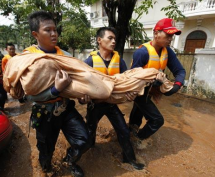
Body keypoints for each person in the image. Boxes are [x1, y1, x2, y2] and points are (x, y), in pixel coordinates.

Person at [23, 11, 89, 177]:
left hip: (66, 108)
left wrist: (82, 96)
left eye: (55, 29)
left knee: (84, 140)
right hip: (44, 113)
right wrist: (55, 90)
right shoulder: (28, 59)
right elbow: (29, 95)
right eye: (48, 30)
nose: (54, 34)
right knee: (46, 149)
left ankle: (69, 160)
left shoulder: (66, 56)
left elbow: (78, 82)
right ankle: (46, 169)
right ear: (35, 34)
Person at [83, 27, 144, 170]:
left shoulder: (119, 62)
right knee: (90, 130)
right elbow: (82, 85)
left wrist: (129, 94)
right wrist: (83, 97)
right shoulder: (90, 61)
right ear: (99, 40)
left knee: (123, 130)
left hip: (111, 105)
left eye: (115, 39)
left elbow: (126, 81)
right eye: (110, 38)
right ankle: (89, 152)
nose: (113, 41)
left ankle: (129, 159)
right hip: (94, 105)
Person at [128, 18, 186, 142]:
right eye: (168, 34)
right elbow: (132, 78)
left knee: (137, 115)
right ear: (156, 33)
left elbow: (180, 71)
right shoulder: (142, 53)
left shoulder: (168, 52)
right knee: (157, 120)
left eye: (172, 35)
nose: (170, 38)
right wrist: (153, 82)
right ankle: (138, 140)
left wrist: (177, 85)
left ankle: (129, 136)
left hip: (150, 91)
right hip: (139, 92)